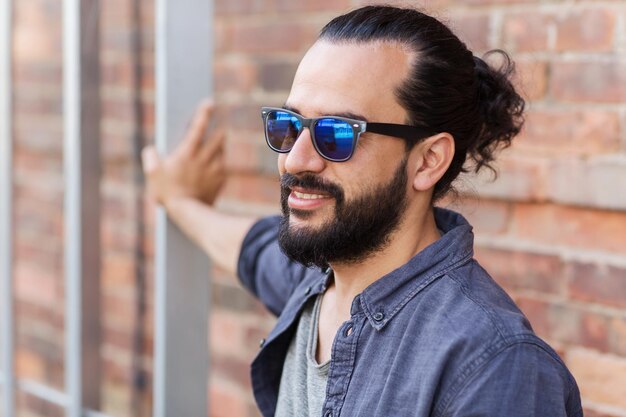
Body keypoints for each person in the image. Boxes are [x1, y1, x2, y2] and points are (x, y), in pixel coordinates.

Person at [142, 5, 582, 417]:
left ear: (428, 160)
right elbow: (252, 250)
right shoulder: (319, 282)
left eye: (336, 134)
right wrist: (177, 199)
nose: (295, 159)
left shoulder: (495, 363)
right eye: (288, 125)